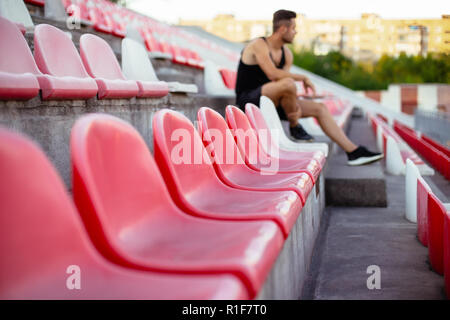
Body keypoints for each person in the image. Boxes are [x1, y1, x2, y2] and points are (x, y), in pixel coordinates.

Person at [235, 9, 383, 166]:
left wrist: (295, 100)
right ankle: (295, 126)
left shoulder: (287, 54)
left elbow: (283, 86)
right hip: (250, 100)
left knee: (319, 108)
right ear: (283, 29)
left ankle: (353, 151)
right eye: (293, 28)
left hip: (274, 103)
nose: (295, 32)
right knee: (288, 83)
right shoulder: (259, 44)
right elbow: (273, 75)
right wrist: (303, 78)